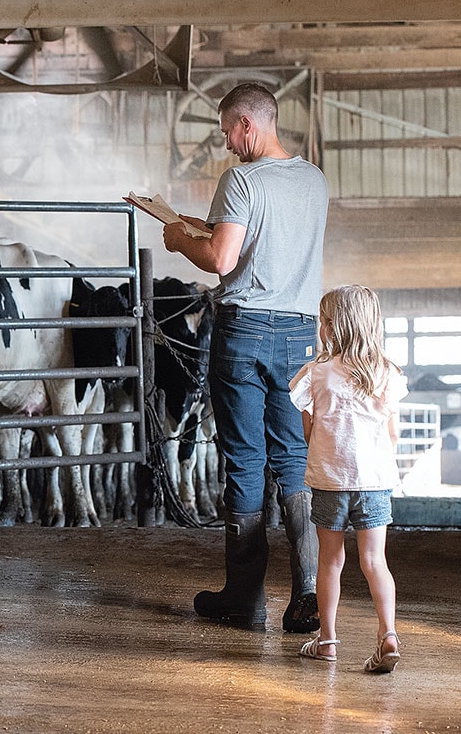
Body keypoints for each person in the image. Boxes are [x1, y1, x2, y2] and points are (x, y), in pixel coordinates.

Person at [162, 82, 327, 632]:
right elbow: (265, 243)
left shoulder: (242, 180)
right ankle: (307, 594)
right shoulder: (313, 180)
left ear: (247, 125)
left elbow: (221, 259)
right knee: (293, 460)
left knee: (245, 460)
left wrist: (179, 239)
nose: (227, 143)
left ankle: (245, 598)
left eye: (228, 130)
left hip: (246, 332)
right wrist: (205, 226)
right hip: (300, 334)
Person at [290, 284, 407, 673]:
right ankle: (388, 635)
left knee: (331, 561)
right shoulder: (387, 374)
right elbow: (393, 434)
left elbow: (309, 433)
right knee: (375, 561)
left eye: (322, 320)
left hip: (330, 481)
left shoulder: (315, 375)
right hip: (374, 482)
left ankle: (327, 641)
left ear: (331, 326)